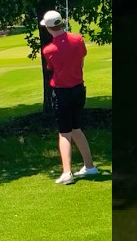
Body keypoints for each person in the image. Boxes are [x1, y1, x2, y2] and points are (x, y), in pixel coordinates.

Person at [41, 10, 98, 185]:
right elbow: (81, 60)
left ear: (49, 28)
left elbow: (52, 68)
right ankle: (89, 167)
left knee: (64, 133)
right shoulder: (78, 39)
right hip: (79, 89)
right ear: (62, 23)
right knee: (75, 127)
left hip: (61, 92)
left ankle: (67, 172)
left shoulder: (48, 50)